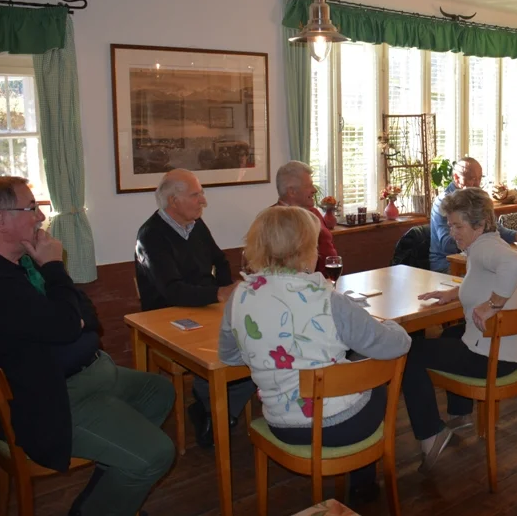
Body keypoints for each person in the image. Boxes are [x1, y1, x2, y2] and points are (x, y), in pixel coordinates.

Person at [0, 176, 175, 516]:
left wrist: (69, 314)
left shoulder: (21, 264)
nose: (40, 217)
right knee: (156, 454)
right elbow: (67, 323)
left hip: (87, 375)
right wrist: (54, 268)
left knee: (157, 391)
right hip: (52, 400)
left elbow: (86, 313)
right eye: (31, 208)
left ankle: (109, 495)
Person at [219, 206, 410, 503]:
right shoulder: (327, 299)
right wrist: (393, 325)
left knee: (351, 368)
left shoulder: (239, 297)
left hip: (281, 424)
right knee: (375, 384)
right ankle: (363, 486)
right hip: (342, 426)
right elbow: (395, 346)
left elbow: (229, 357)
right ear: (305, 249)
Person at [406, 187, 517, 471]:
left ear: (480, 224)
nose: (452, 233)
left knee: (408, 352)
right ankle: (460, 414)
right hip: (513, 351)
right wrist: (453, 294)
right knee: (451, 333)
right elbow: (484, 280)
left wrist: (493, 305)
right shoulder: (487, 244)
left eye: (458, 226)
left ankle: (431, 434)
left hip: (494, 358)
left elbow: (515, 263)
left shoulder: (485, 248)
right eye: (449, 225)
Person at [134, 168, 254, 447]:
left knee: (252, 348)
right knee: (222, 353)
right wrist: (219, 293)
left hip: (206, 307)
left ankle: (211, 407)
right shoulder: (150, 235)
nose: (203, 201)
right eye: (196, 195)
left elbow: (220, 261)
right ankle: (213, 405)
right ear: (173, 201)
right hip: (167, 318)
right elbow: (172, 290)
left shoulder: (196, 225)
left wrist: (226, 291)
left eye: (201, 193)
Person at [429, 157, 517, 273]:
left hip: (477, 257)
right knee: (496, 273)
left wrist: (516, 235)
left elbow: (493, 227)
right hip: (447, 263)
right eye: (472, 178)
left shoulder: (477, 198)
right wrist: (479, 235)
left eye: (479, 178)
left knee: (510, 269)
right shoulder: (444, 203)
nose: (477, 184)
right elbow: (448, 245)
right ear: (456, 177)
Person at [273, 160, 337, 274]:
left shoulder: (314, 213)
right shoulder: (272, 220)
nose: (314, 190)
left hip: (328, 281)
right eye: (309, 185)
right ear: (292, 191)